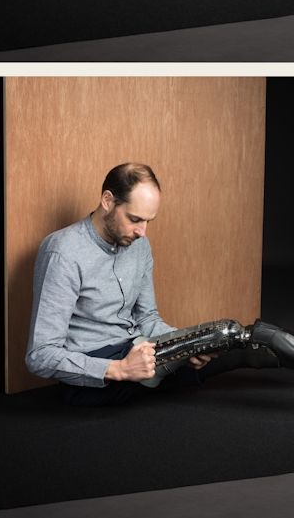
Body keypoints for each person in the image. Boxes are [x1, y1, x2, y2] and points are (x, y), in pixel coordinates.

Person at [25, 163, 266, 406]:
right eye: (134, 219)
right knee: (222, 339)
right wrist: (120, 369)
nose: (142, 232)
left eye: (148, 221)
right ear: (108, 200)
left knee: (229, 342)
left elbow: (148, 318)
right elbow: (40, 355)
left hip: (139, 351)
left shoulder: (138, 244)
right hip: (98, 368)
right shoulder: (62, 252)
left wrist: (186, 348)